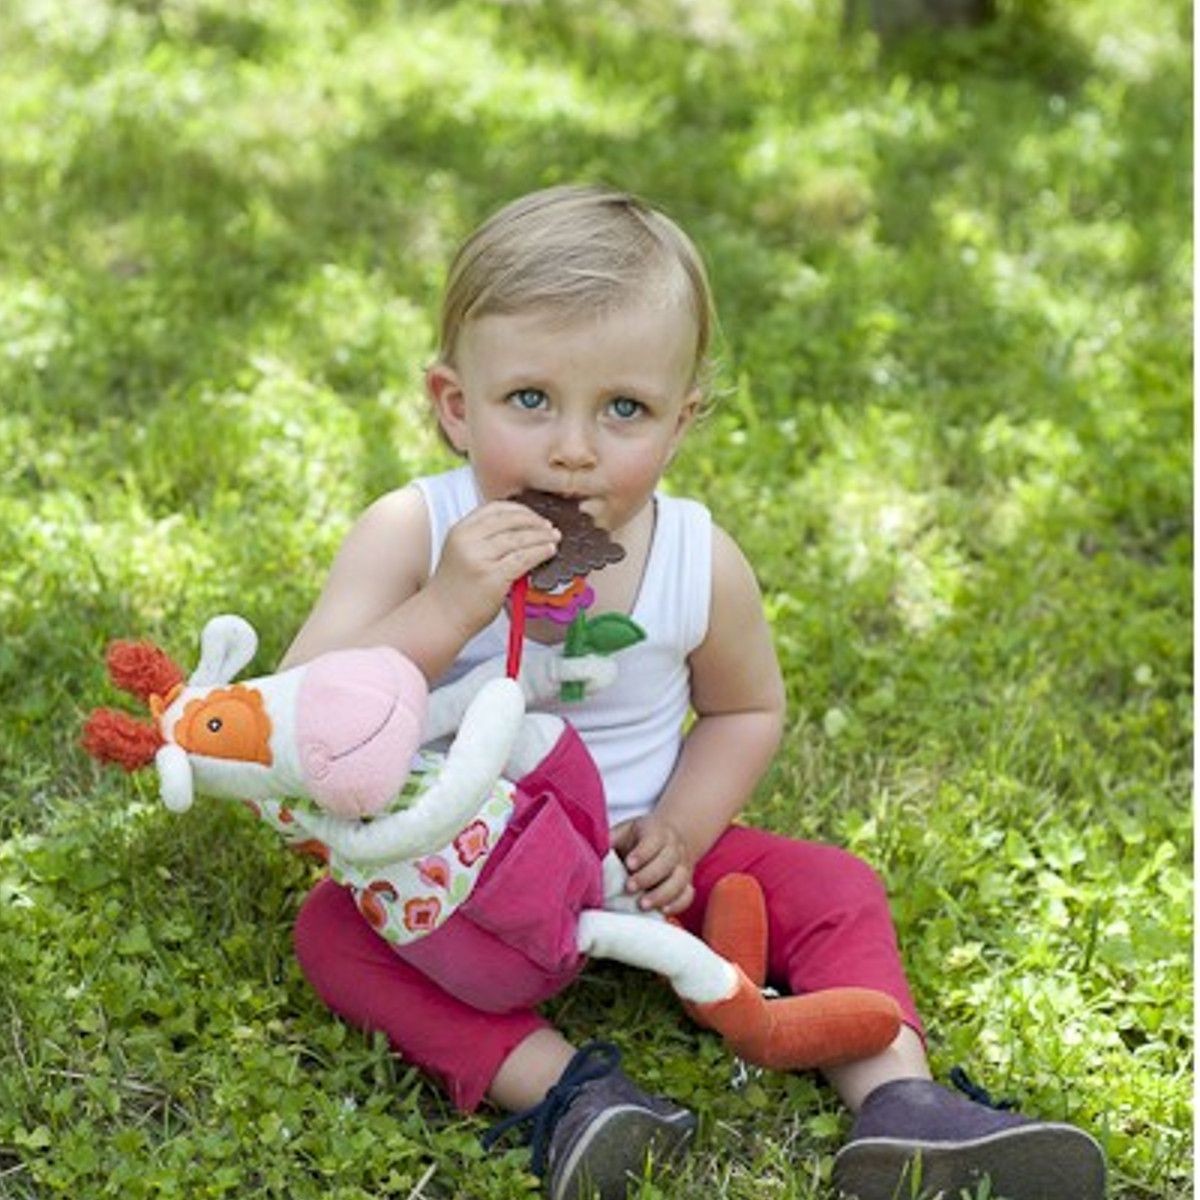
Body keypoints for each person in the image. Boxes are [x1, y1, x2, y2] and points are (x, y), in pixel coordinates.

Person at [280, 185, 1106, 1200]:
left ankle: (902, 1107)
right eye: (529, 400)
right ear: (454, 403)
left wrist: (680, 825)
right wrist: (448, 605)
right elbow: (299, 709)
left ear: (681, 422)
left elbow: (745, 709)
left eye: (623, 409)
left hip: (648, 859)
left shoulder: (695, 559)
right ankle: (565, 1094)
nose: (573, 447)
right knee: (331, 933)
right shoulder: (410, 533)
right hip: (459, 882)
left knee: (837, 887)